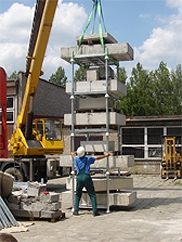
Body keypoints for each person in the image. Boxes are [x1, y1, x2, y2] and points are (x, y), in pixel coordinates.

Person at [71, 146, 110, 216]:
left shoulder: (76, 160)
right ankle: (95, 211)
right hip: (86, 177)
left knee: (77, 194)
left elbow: (74, 158)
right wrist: (105, 156)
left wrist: (73, 155)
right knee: (92, 194)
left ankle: (76, 210)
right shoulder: (88, 159)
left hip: (79, 177)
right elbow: (97, 158)